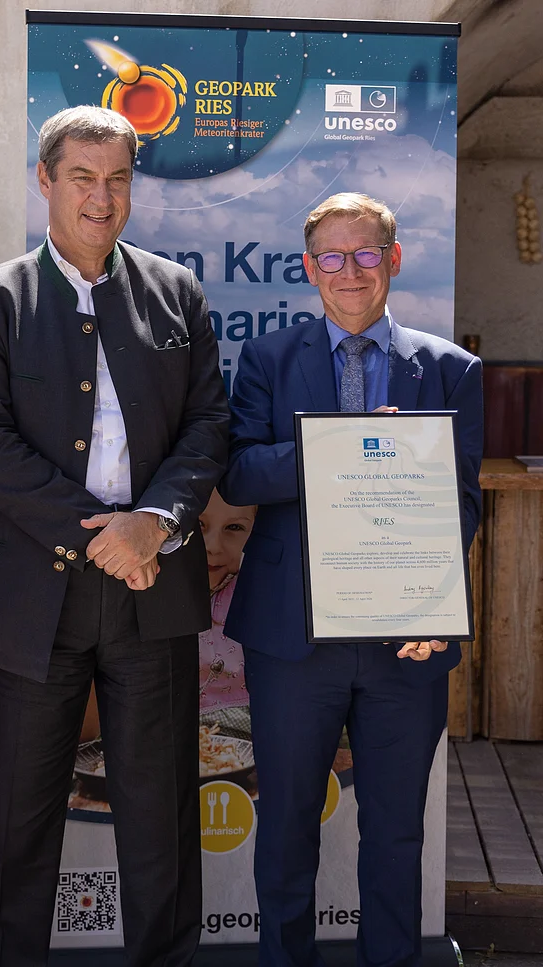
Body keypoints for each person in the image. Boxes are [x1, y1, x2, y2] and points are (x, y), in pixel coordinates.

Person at [0, 105, 230, 967]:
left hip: (155, 590)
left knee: (160, 813)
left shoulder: (176, 292)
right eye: (82, 177)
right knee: (14, 815)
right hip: (33, 600)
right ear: (45, 181)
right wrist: (97, 533)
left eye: (116, 179)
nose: (100, 197)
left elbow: (209, 425)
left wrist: (154, 523)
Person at [219, 192, 483, 967]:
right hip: (292, 639)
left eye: (366, 253)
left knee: (398, 830)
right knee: (288, 822)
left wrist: (437, 602)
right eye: (331, 257)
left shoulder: (451, 370)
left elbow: (461, 503)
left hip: (409, 638)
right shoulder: (268, 358)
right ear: (309, 269)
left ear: (394, 259)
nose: (350, 272)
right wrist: (343, 449)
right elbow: (238, 470)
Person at [198, 489, 256, 715]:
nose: (213, 546)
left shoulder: (258, 596)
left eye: (234, 528)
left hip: (242, 730)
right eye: (199, 524)